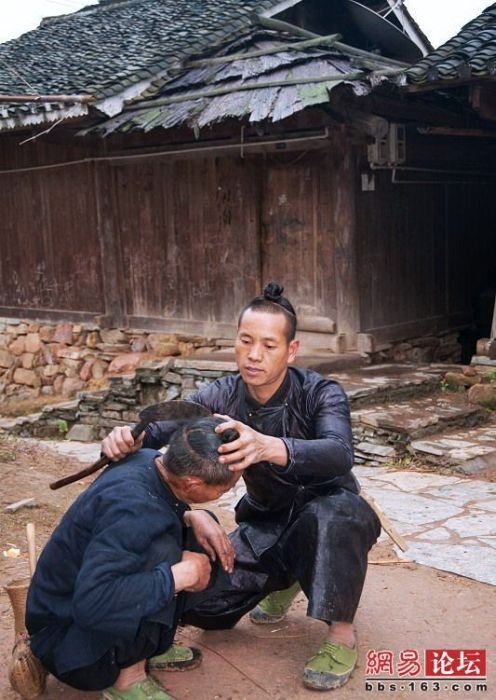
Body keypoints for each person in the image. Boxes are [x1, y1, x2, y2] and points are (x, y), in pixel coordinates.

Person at [102, 282, 382, 692]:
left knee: (335, 514)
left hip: (328, 512)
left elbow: (339, 453)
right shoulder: (222, 394)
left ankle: (341, 635)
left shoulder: (320, 392)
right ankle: (286, 576)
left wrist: (270, 446)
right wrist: (130, 435)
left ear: (291, 350)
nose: (254, 355)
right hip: (265, 523)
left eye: (269, 345)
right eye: (246, 341)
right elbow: (164, 426)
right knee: (206, 608)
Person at [26, 418, 241, 700]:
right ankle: (127, 677)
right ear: (192, 482)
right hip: (70, 644)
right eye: (225, 489)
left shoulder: (149, 459)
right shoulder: (133, 511)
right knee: (163, 552)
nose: (227, 492)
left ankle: (149, 647)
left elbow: (156, 511)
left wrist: (192, 514)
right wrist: (181, 575)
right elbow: (93, 601)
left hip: (70, 614)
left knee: (199, 534)